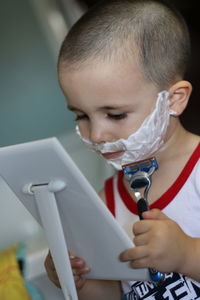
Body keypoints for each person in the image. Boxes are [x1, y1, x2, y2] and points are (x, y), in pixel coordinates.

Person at [45, 0, 200, 299]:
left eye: (115, 115)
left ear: (174, 100)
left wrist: (186, 255)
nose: (97, 134)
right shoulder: (105, 204)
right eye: (81, 115)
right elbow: (115, 293)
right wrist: (80, 279)